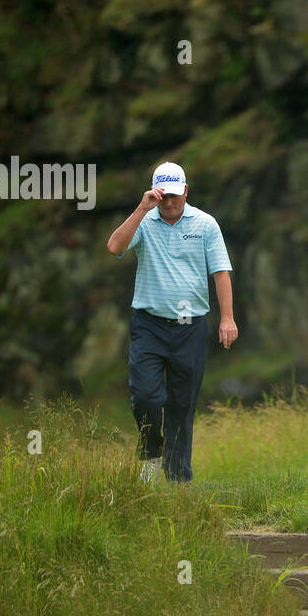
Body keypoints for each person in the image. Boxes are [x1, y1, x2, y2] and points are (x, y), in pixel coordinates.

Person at [106, 161, 237, 483]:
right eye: (163, 196)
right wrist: (141, 208)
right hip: (149, 324)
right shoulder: (145, 221)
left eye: (175, 195)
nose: (169, 202)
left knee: (181, 405)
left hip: (189, 327)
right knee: (146, 396)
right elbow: (114, 247)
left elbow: (220, 272)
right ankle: (151, 453)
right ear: (154, 193)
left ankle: (178, 480)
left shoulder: (205, 224)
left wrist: (227, 319)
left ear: (186, 192)